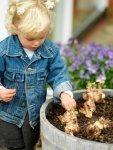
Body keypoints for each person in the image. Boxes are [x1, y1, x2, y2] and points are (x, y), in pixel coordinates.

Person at [0, 0, 76, 150]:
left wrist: (64, 93)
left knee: (30, 143)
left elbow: (58, 73)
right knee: (12, 144)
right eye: (30, 38)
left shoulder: (50, 52)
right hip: (8, 114)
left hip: (33, 116)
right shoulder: (4, 51)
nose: (36, 43)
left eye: (41, 37)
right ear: (15, 29)